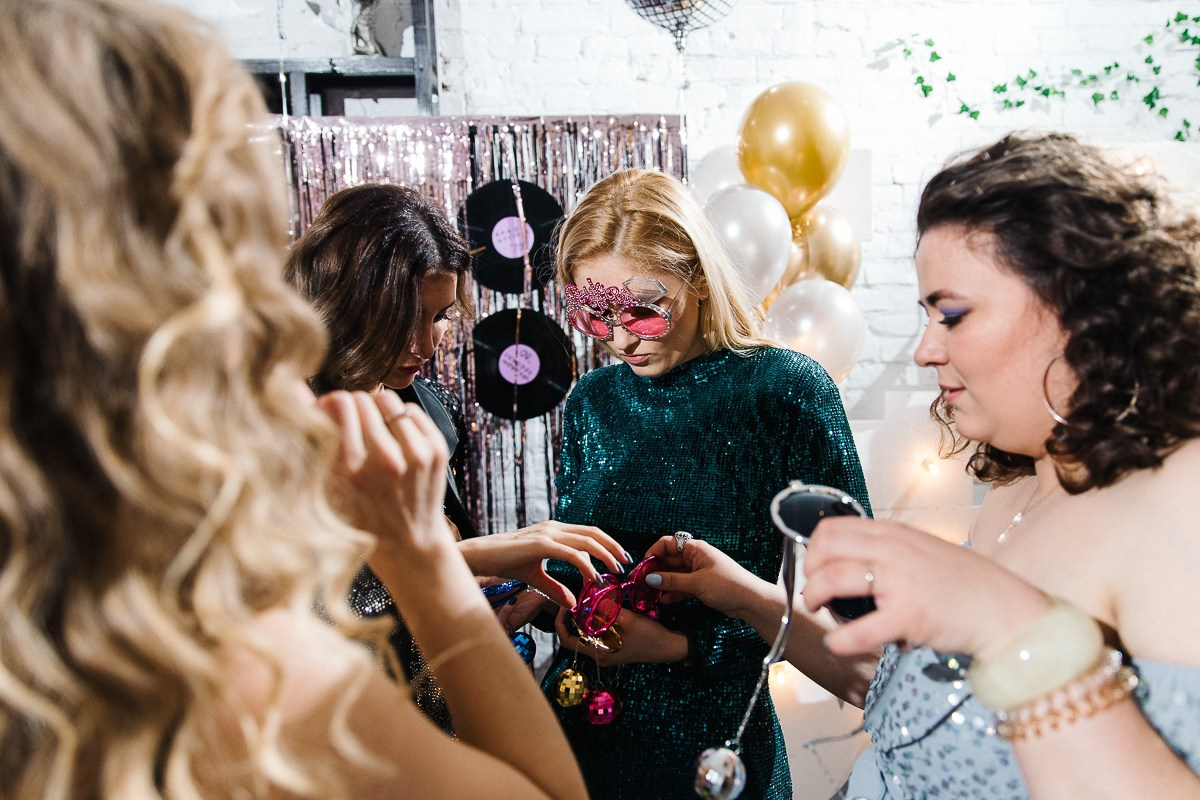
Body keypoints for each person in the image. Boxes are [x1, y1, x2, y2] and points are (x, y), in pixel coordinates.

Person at [0, 2, 589, 799]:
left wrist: (477, 585)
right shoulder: (244, 669)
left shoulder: (420, 409)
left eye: (442, 318)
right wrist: (439, 570)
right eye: (232, 256)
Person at [647, 132, 1200, 799]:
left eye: (953, 315)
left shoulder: (1180, 503)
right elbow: (917, 713)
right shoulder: (1016, 496)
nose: (926, 350)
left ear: (1084, 314)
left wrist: (1011, 622)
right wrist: (741, 593)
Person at [534, 168, 872, 800]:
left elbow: (858, 615)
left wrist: (681, 646)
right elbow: (576, 565)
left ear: (695, 275)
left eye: (642, 310)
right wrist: (550, 598)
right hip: (581, 736)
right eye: (595, 315)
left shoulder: (785, 392)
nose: (620, 338)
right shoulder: (591, 401)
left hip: (716, 752)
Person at [285, 182, 629, 730]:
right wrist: (475, 557)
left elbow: (432, 568)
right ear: (345, 301)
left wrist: (499, 585)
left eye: (441, 316)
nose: (424, 344)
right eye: (404, 318)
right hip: (345, 719)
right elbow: (307, 605)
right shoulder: (279, 426)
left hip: (440, 703)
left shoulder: (430, 410)